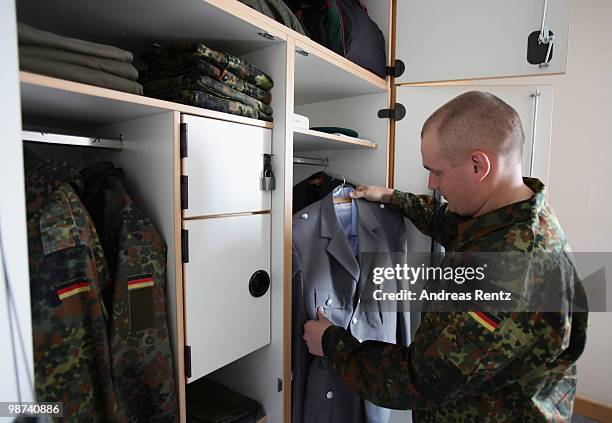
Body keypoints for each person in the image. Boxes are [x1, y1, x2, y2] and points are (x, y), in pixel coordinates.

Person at [302, 91, 588, 421]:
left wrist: (332, 344)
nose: (431, 182)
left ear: (479, 165)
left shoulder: (510, 266)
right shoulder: (513, 217)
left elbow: (421, 380)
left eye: (436, 172)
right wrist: (394, 198)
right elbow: (451, 224)